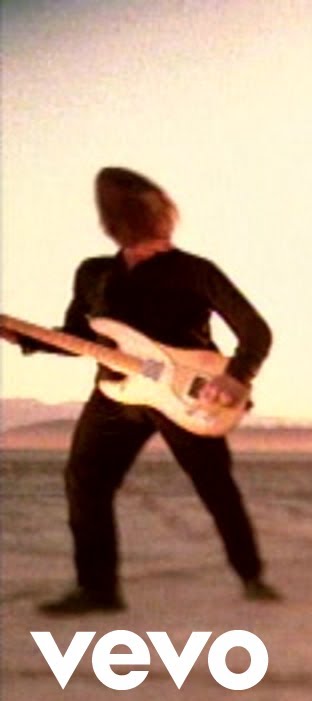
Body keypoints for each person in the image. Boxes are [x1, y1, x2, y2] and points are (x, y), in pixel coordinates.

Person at [0, 167, 281, 614]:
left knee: (214, 485)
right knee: (85, 481)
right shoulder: (94, 274)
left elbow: (255, 330)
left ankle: (252, 577)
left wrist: (236, 376)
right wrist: (21, 336)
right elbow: (78, 338)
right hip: (118, 394)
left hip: (187, 394)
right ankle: (98, 590)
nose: (161, 231)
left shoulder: (195, 271)